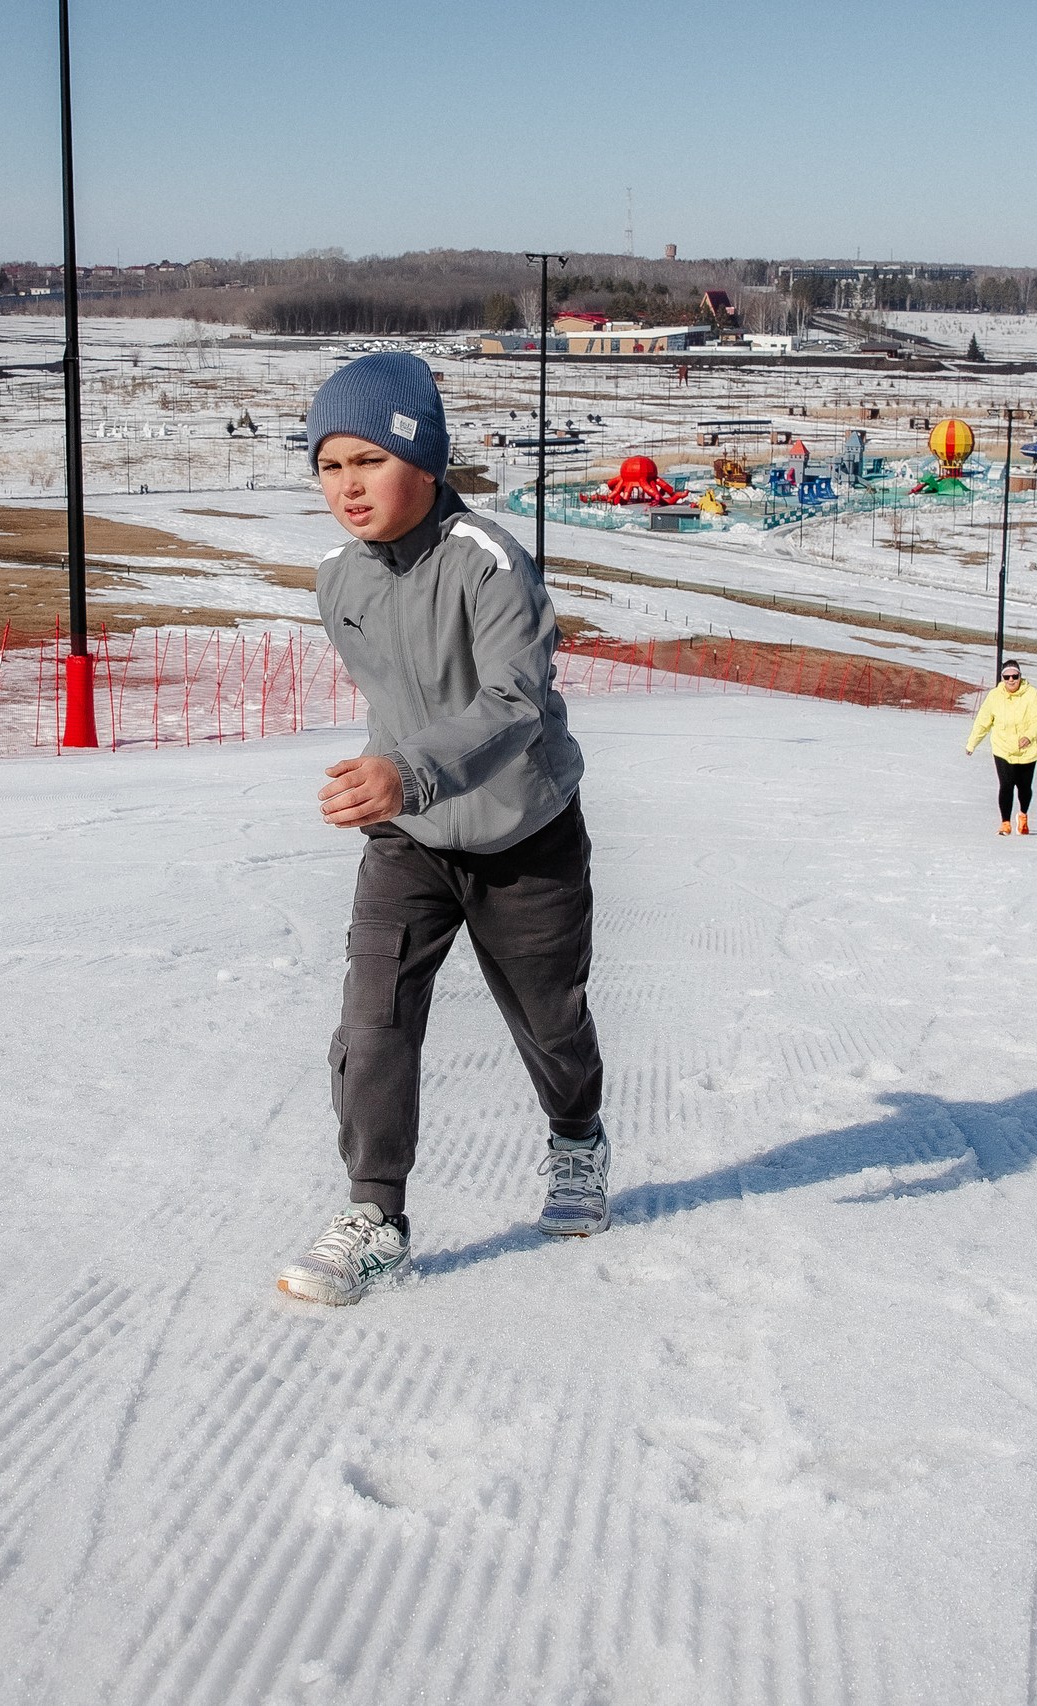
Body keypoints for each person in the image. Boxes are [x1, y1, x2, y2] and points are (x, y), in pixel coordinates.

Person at [276, 352, 609, 1308]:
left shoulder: (492, 563)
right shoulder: (337, 580)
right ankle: (377, 1218)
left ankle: (578, 1140)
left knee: (551, 1022)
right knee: (372, 1019)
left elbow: (516, 701)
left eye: (368, 461)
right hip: (410, 833)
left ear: (423, 460)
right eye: (329, 466)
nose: (347, 487)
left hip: (524, 835)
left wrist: (409, 767)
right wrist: (392, 781)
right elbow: (398, 696)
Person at [965, 659, 1037, 835]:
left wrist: (1029, 736)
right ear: (1002, 678)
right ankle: (1005, 823)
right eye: (1007, 677)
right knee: (1006, 785)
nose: (1011, 680)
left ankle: (1023, 815)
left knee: (1024, 788)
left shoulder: (1031, 694)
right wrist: (972, 743)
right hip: (1002, 748)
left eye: (1014, 676)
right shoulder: (994, 696)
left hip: (1027, 750)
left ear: (1020, 677)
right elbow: (982, 722)